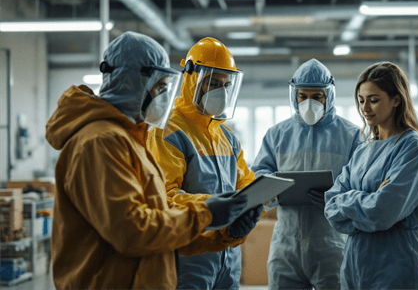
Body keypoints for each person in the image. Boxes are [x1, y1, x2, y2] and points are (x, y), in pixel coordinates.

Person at [45, 31, 261, 289]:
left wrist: (225, 232)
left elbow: (160, 223)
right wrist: (206, 214)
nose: (162, 97)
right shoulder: (99, 143)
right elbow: (133, 231)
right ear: (133, 82)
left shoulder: (131, 140)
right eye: (159, 87)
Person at [147, 37, 257, 290]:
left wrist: (259, 199)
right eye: (213, 83)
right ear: (191, 79)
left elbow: (247, 184)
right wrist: (212, 207)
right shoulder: (168, 131)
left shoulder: (226, 136)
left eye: (227, 85)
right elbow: (164, 196)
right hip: (188, 253)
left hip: (228, 254)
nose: (222, 92)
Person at [251, 58, 362, 289]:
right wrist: (273, 189)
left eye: (317, 96)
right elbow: (259, 173)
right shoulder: (277, 134)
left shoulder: (350, 135)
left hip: (332, 242)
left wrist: (335, 199)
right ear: (294, 95)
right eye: (303, 96)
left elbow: (360, 184)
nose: (309, 103)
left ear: (328, 95)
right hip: (286, 242)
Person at [324, 61, 418, 289]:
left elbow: (383, 211)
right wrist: (367, 198)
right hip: (355, 265)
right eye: (361, 100)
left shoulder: (413, 147)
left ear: (396, 100)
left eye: (374, 100)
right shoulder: (362, 150)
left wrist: (349, 199)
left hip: (397, 265)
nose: (365, 108)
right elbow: (330, 207)